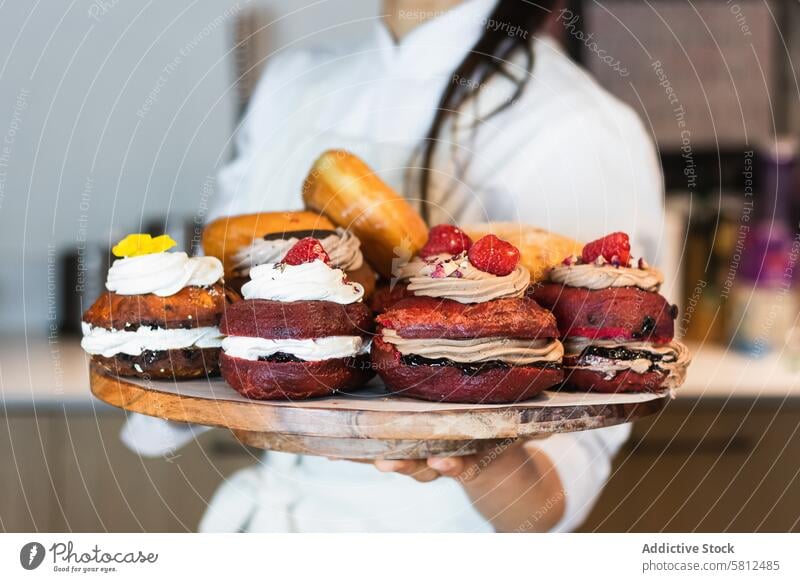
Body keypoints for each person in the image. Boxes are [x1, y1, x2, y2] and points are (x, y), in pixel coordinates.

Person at [122, 0, 663, 532]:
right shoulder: (293, 83)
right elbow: (219, 303)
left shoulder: (577, 125)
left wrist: (473, 456)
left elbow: (557, 482)